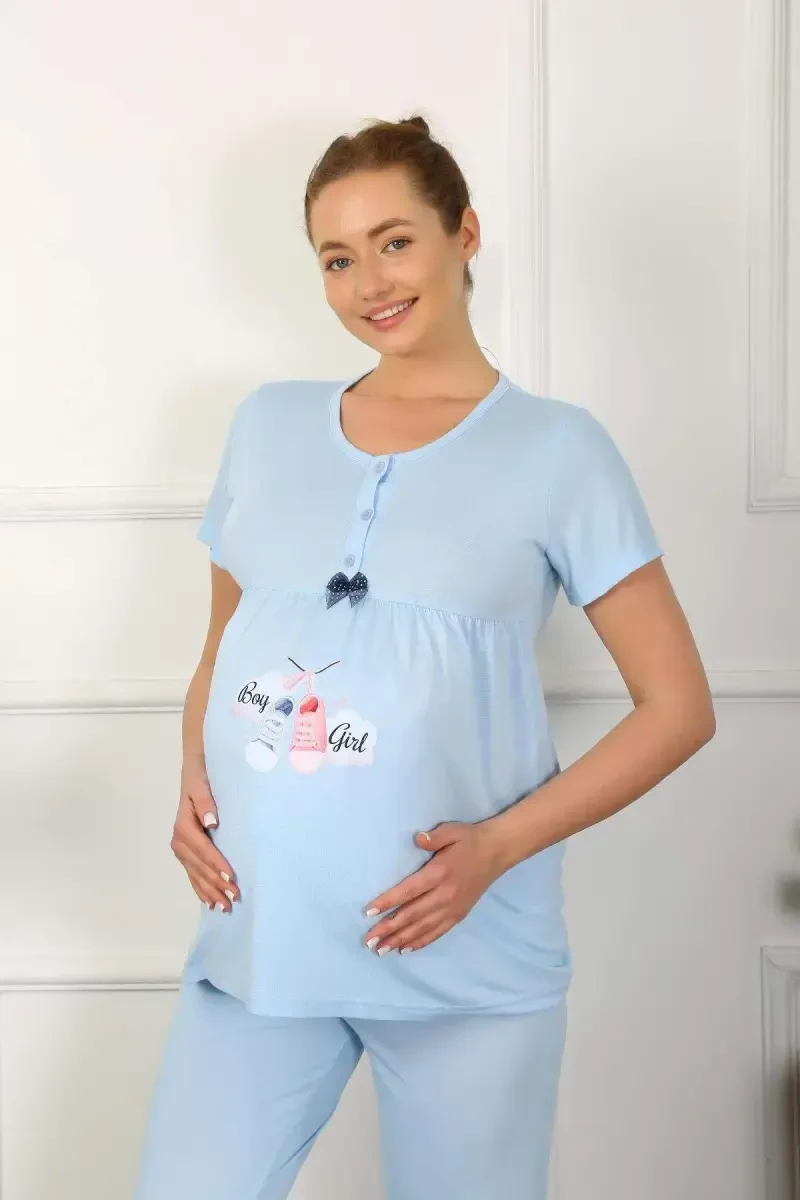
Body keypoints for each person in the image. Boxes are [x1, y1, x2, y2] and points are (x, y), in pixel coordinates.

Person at [134, 114, 716, 1200]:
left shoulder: (559, 449)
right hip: (260, 944)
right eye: (336, 258)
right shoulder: (266, 426)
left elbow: (677, 707)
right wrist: (192, 780)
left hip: (465, 964)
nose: (369, 283)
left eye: (394, 242)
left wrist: (495, 849)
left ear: (465, 235)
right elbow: (226, 646)